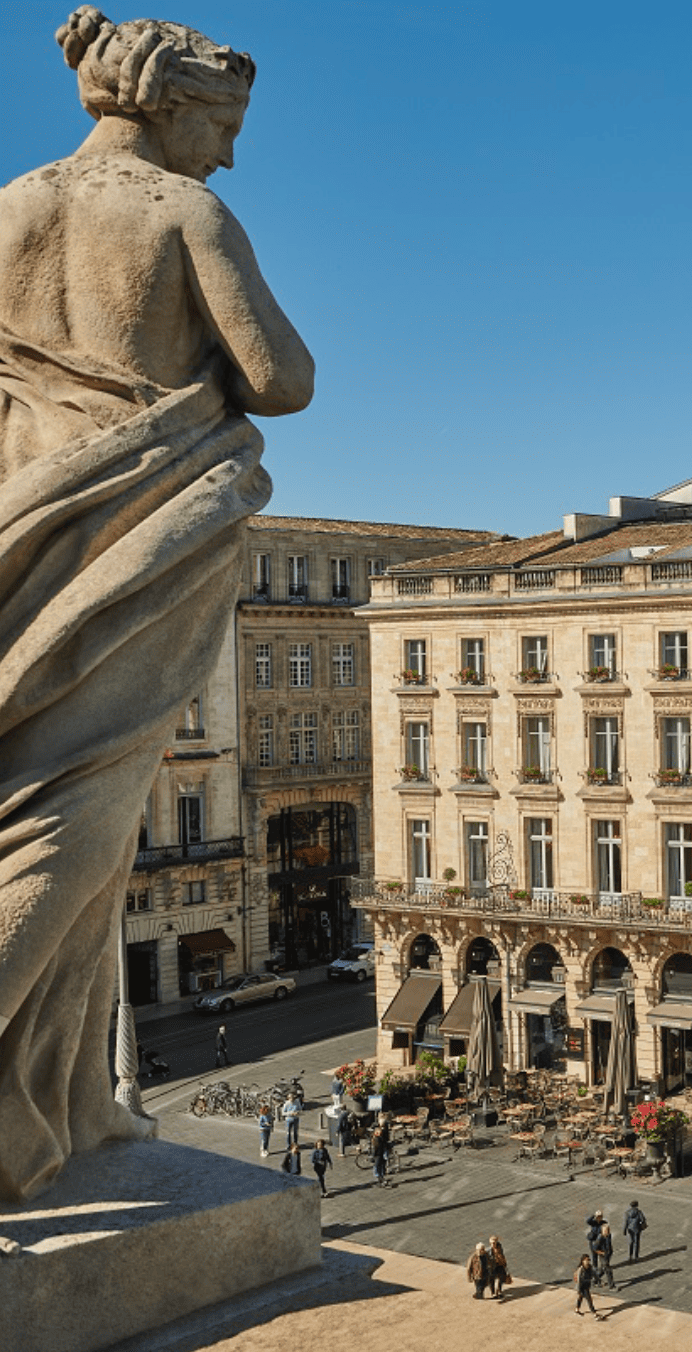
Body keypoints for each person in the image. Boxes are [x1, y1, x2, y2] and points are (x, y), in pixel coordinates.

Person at [0, 5, 313, 1206]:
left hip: (21, 525)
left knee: (40, 802)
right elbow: (281, 378)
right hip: (132, 539)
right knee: (76, 818)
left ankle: (60, 1110)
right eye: (223, 124)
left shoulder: (13, 203)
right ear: (171, 106)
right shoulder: (183, 212)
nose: (230, 152)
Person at [590, 1210, 616, 1290]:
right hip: (603, 1255)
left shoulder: (608, 1236)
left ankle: (594, 1280)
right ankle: (612, 1286)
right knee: (608, 1270)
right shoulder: (600, 1238)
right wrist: (601, 1252)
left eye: (608, 1229)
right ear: (603, 1231)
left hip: (608, 1253)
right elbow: (594, 1248)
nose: (608, 1231)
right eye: (606, 1230)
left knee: (602, 1270)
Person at [371, 1119, 392, 1188]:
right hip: (381, 1155)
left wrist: (372, 1156)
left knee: (378, 1167)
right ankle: (381, 1178)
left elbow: (375, 1149)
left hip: (378, 1156)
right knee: (380, 1167)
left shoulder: (377, 1140)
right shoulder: (380, 1139)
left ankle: (380, 1180)